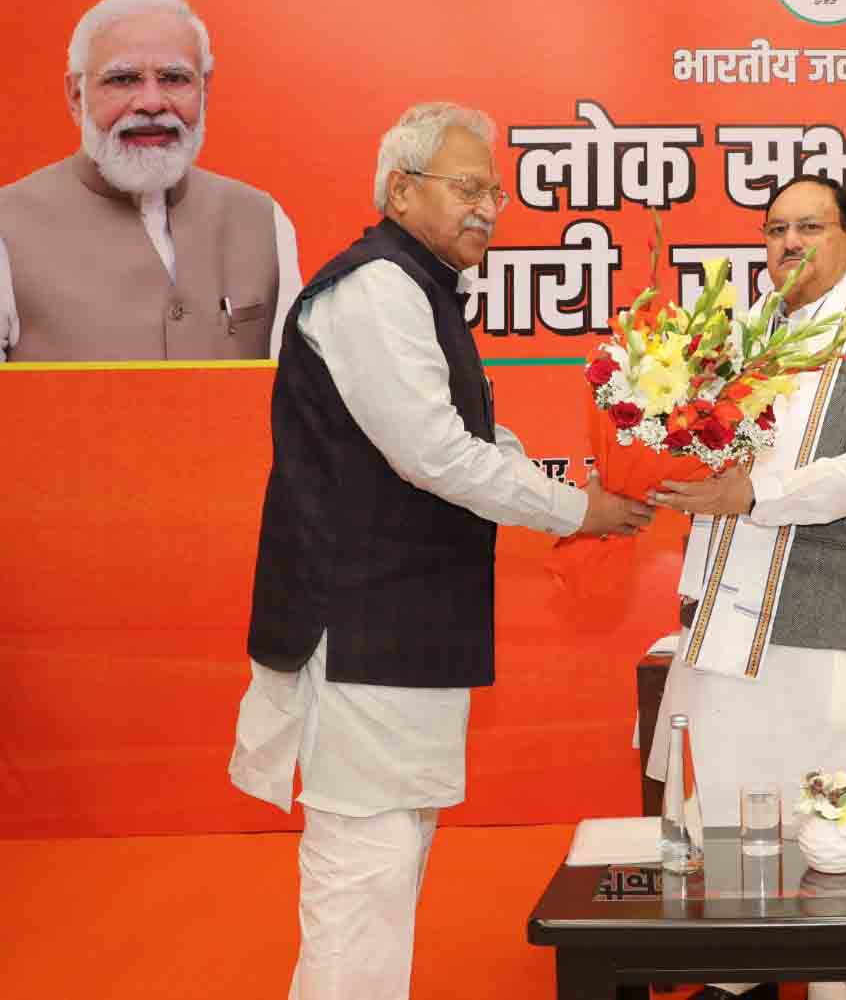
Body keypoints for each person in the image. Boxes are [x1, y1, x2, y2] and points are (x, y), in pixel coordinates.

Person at [227, 101, 652, 1000]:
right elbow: (433, 455)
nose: (489, 208)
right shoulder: (377, 289)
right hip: (363, 625)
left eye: (494, 191)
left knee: (390, 858)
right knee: (365, 870)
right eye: (467, 188)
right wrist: (578, 510)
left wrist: (577, 499)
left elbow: (475, 442)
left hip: (402, 629)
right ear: (400, 187)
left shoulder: (422, 291)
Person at [648, 174, 846, 1000]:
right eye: (776, 229)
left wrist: (758, 495)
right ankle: (741, 972)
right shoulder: (741, 336)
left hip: (828, 608)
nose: (790, 244)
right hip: (732, 609)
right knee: (738, 785)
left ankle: (826, 981)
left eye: (810, 227)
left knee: (828, 801)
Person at [0, 0, 300, 362]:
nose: (152, 103)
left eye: (175, 78)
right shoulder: (6, 227)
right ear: (76, 96)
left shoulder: (262, 220)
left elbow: (295, 397)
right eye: (123, 80)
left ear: (205, 90)